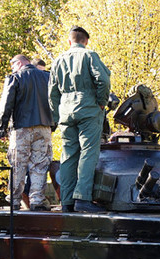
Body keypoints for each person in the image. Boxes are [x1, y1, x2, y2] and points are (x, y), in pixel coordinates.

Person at [48, 26, 111, 213]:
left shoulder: (58, 60)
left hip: (66, 111)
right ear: (86, 41)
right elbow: (104, 81)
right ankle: (82, 198)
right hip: (88, 110)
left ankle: (66, 201)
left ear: (70, 41)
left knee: (67, 156)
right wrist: (101, 102)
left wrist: (57, 116)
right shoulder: (90, 55)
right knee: (89, 152)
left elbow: (52, 93)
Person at [0, 54, 55, 211]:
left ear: (19, 63)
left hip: (21, 128)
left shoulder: (15, 78)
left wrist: (2, 127)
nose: (12, 69)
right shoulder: (48, 77)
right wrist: (53, 123)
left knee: (18, 164)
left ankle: (14, 200)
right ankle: (37, 199)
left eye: (13, 65)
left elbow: (6, 104)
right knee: (40, 164)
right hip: (44, 127)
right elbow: (56, 100)